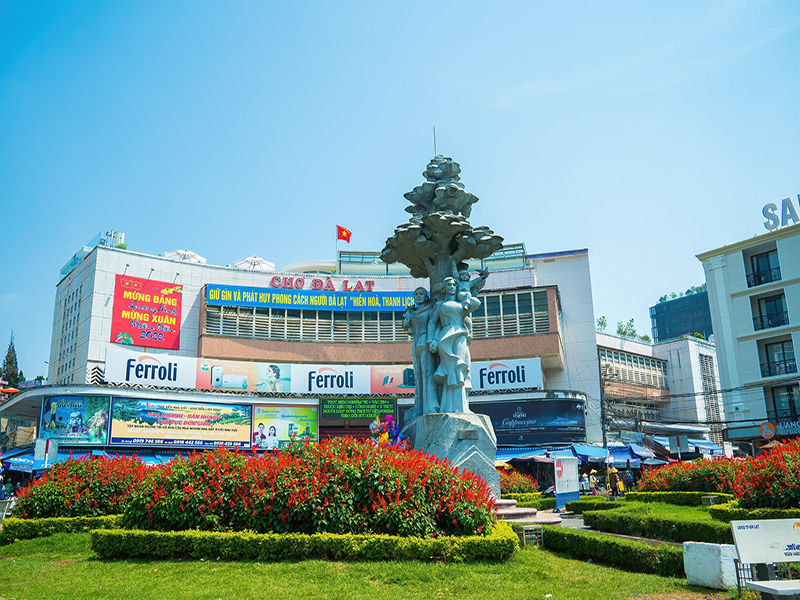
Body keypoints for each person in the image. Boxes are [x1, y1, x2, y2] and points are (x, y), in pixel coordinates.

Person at [428, 277, 480, 413]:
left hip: (460, 336)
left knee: (460, 370)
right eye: (449, 285)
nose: (452, 286)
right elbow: (433, 322)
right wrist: (432, 340)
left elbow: (477, 303)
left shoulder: (461, 304)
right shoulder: (440, 305)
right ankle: (448, 407)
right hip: (445, 337)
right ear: (444, 288)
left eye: (454, 284)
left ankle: (462, 407)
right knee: (450, 371)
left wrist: (465, 295)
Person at [402, 287, 438, 416]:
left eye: (421, 293)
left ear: (426, 296)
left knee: (427, 374)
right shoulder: (413, 312)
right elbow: (405, 325)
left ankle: (431, 406)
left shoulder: (431, 308)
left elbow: (435, 324)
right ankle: (419, 407)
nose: (418, 296)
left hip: (425, 340)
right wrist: (407, 318)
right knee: (418, 377)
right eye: (416, 294)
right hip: (416, 342)